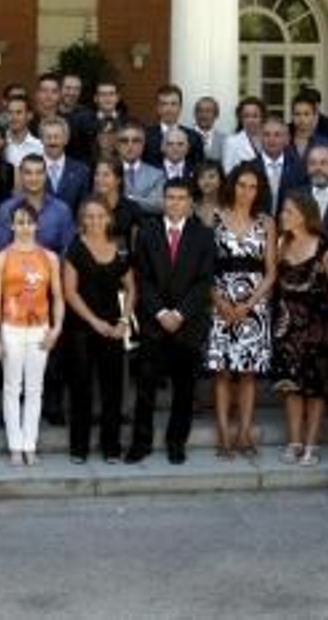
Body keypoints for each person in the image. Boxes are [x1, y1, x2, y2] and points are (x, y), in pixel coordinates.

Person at [128, 179, 216, 464]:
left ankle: (176, 443)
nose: (175, 202)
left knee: (184, 389)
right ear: (163, 200)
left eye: (181, 198)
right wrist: (161, 313)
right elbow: (142, 278)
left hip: (188, 324)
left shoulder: (203, 235)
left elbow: (204, 282)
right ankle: (140, 443)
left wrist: (179, 314)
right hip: (154, 323)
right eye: (170, 197)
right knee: (146, 388)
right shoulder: (148, 232)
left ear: (191, 203)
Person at [0, 203, 66, 467]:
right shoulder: (0, 259)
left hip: (39, 328)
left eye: (28, 222)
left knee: (35, 389)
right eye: (19, 222)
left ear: (37, 225)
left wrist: (56, 329)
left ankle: (30, 445)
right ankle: (15, 446)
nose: (24, 227)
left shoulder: (50, 258)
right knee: (12, 388)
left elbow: (57, 297)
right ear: (11, 225)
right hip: (11, 327)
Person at [207, 164, 277, 458]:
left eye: (253, 187)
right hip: (219, 302)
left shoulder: (266, 223)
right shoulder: (215, 218)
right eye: (242, 185)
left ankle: (245, 432)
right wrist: (220, 302)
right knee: (222, 373)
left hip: (254, 304)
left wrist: (249, 304)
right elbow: (205, 266)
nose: (247, 192)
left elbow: (271, 272)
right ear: (232, 185)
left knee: (247, 374)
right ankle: (224, 433)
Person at [62, 196, 136, 464]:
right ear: (82, 219)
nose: (94, 221)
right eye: (89, 216)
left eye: (99, 216)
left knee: (112, 390)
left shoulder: (119, 248)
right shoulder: (75, 247)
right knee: (81, 389)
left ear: (108, 218)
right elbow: (70, 292)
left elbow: (132, 288)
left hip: (114, 330)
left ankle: (111, 446)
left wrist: (124, 321)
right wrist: (95, 322)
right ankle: (79, 448)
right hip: (82, 328)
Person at [270, 191, 328, 467]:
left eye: (288, 211)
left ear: (305, 214)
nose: (283, 216)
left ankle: (312, 444)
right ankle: (294, 441)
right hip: (286, 329)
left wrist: (320, 318)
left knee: (315, 390)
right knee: (292, 387)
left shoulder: (325, 249)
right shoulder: (281, 243)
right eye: (283, 211)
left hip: (316, 328)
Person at [143, 84, 203, 169]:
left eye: (173, 104)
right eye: (164, 104)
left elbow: (199, 169)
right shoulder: (146, 136)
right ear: (158, 108)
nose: (169, 109)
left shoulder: (194, 137)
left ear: (180, 107)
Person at [40, 116, 92, 212]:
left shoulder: (81, 171)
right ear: (41, 140)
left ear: (66, 139)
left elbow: (84, 209)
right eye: (48, 137)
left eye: (57, 137)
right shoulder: (30, 168)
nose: (52, 142)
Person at [91, 159, 142, 255]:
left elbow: (138, 246)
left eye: (106, 175)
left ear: (118, 180)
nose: (99, 179)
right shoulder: (87, 206)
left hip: (124, 262)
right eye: (97, 174)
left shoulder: (132, 208)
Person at [118, 121, 166, 216]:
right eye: (124, 141)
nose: (130, 145)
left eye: (136, 141)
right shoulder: (107, 171)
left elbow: (158, 205)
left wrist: (125, 198)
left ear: (143, 145)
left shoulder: (157, 174)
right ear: (118, 145)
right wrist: (144, 199)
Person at [3, 95, 43, 166]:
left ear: (29, 115)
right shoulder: (0, 143)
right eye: (10, 112)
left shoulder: (40, 147)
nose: (13, 117)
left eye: (19, 112)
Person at [190, 96, 226, 169]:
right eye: (200, 111)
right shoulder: (185, 136)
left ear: (216, 114)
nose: (204, 115)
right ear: (195, 114)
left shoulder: (225, 140)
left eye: (208, 111)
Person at [191, 161, 222, 228]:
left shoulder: (229, 207)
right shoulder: (191, 207)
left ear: (220, 180)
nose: (206, 181)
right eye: (201, 177)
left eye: (211, 177)